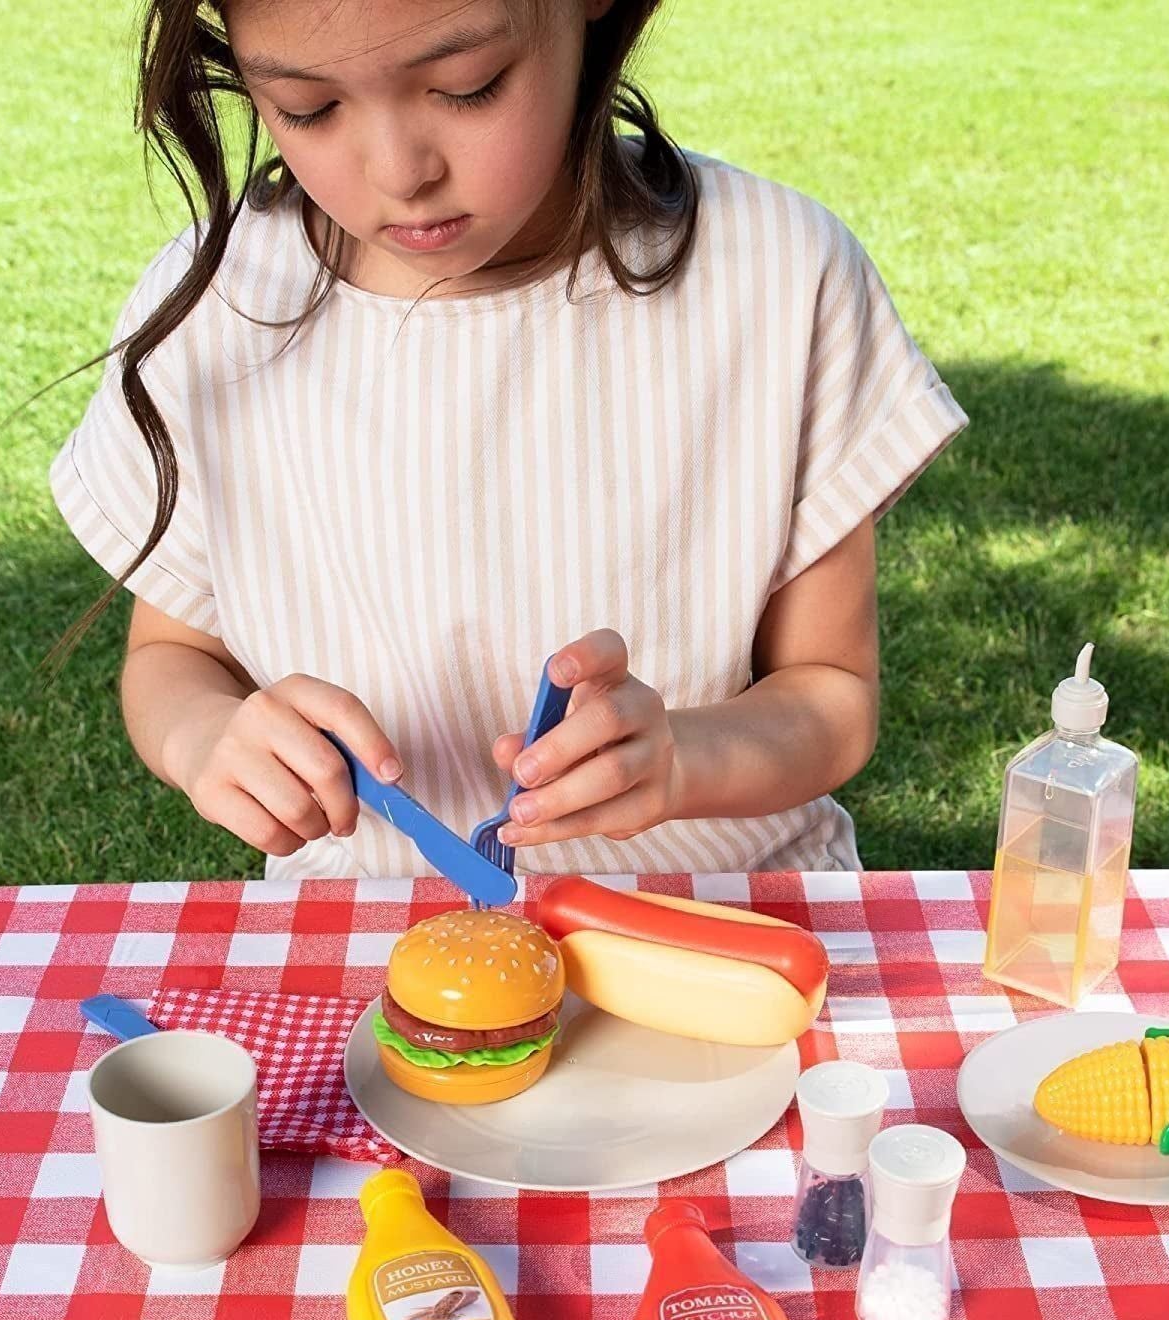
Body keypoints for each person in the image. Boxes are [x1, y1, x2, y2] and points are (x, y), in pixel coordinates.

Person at [48, 0, 968, 881]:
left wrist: (684, 757)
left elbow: (830, 694)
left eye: (468, 84)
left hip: (727, 916)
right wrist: (205, 736)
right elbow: (172, 660)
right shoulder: (218, 306)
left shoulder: (778, 272)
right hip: (371, 931)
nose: (399, 170)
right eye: (309, 107)